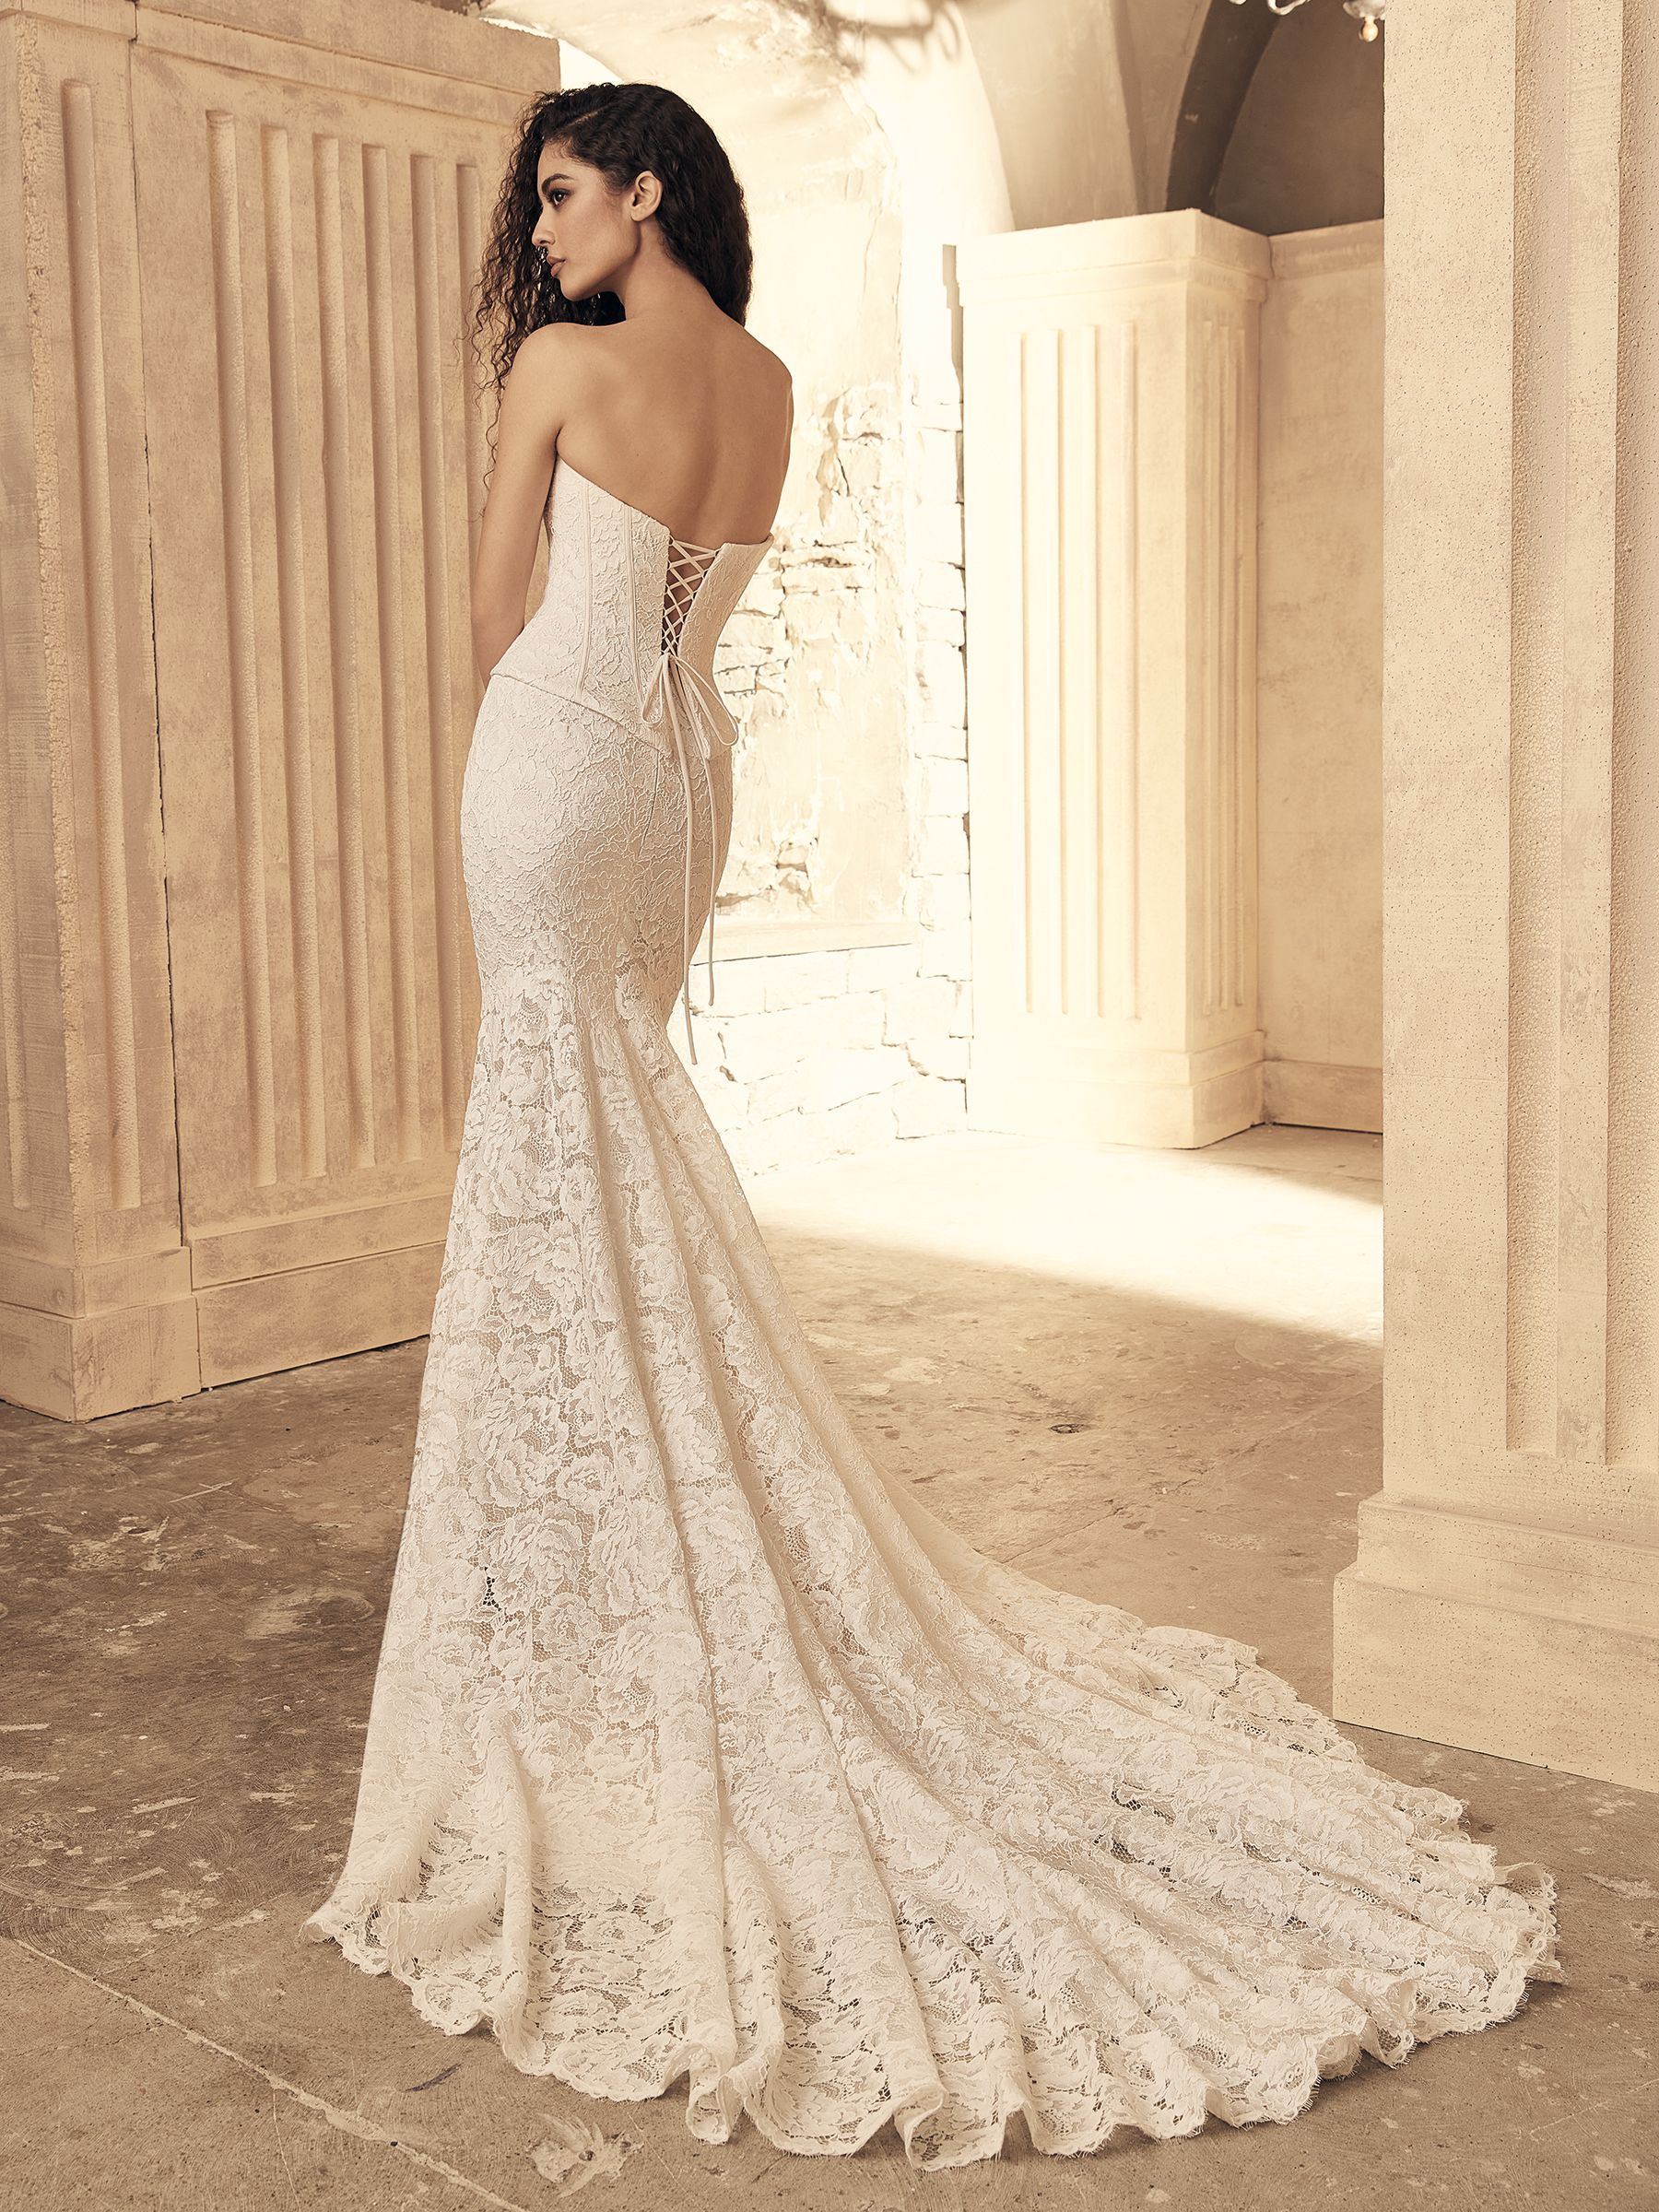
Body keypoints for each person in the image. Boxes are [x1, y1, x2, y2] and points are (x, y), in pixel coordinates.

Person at [300, 81, 1563, 2172]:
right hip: (678, 791)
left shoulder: (558, 371)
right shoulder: (770, 386)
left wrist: (505, 737)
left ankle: (578, 1588)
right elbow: (694, 635)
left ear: (644, 192)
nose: (539, 233)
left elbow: (494, 620)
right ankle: (633, 1537)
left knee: (546, 1161)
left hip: (553, 772)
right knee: (622, 1141)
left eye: (561, 194)